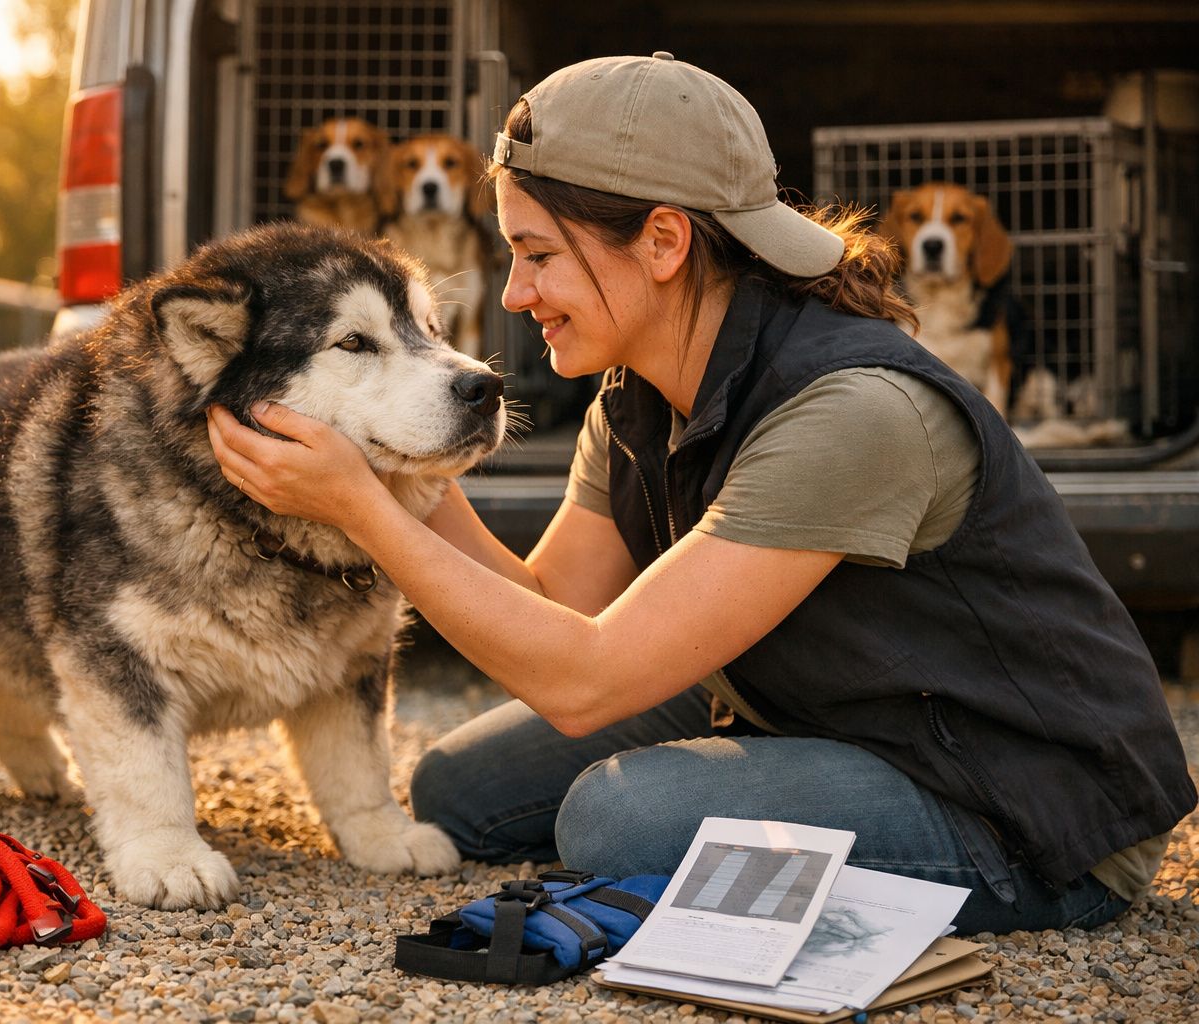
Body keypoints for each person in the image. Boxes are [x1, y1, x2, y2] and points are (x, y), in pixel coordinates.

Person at [207, 53, 1195, 934]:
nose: (514, 294)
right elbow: (554, 613)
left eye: (539, 254)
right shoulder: (638, 395)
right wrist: (400, 457)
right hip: (825, 710)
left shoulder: (854, 411)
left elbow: (585, 678)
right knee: (459, 788)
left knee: (616, 818)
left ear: (666, 242)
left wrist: (361, 509)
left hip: (1018, 799)